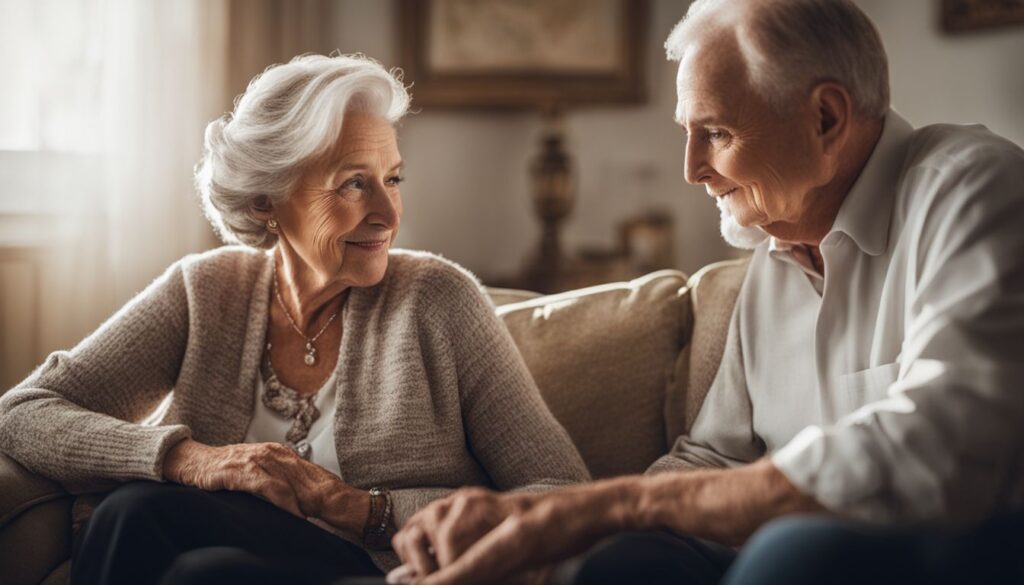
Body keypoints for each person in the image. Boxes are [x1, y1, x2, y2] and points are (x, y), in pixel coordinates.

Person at [389, 1, 1024, 584]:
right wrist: (542, 532)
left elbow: (942, 451)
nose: (691, 169)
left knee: (796, 553)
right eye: (687, 132)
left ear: (825, 118)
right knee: (617, 565)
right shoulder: (776, 254)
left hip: (963, 548)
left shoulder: (974, 190)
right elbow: (713, 459)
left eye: (716, 133)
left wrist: (612, 504)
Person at [0, 54, 589, 585]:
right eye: (354, 184)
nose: (387, 213)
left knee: (199, 565)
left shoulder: (437, 299)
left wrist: (361, 508)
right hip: (222, 548)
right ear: (266, 200)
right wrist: (193, 459)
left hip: (381, 569)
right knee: (144, 518)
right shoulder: (207, 290)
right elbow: (22, 414)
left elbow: (563, 493)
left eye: (392, 179)